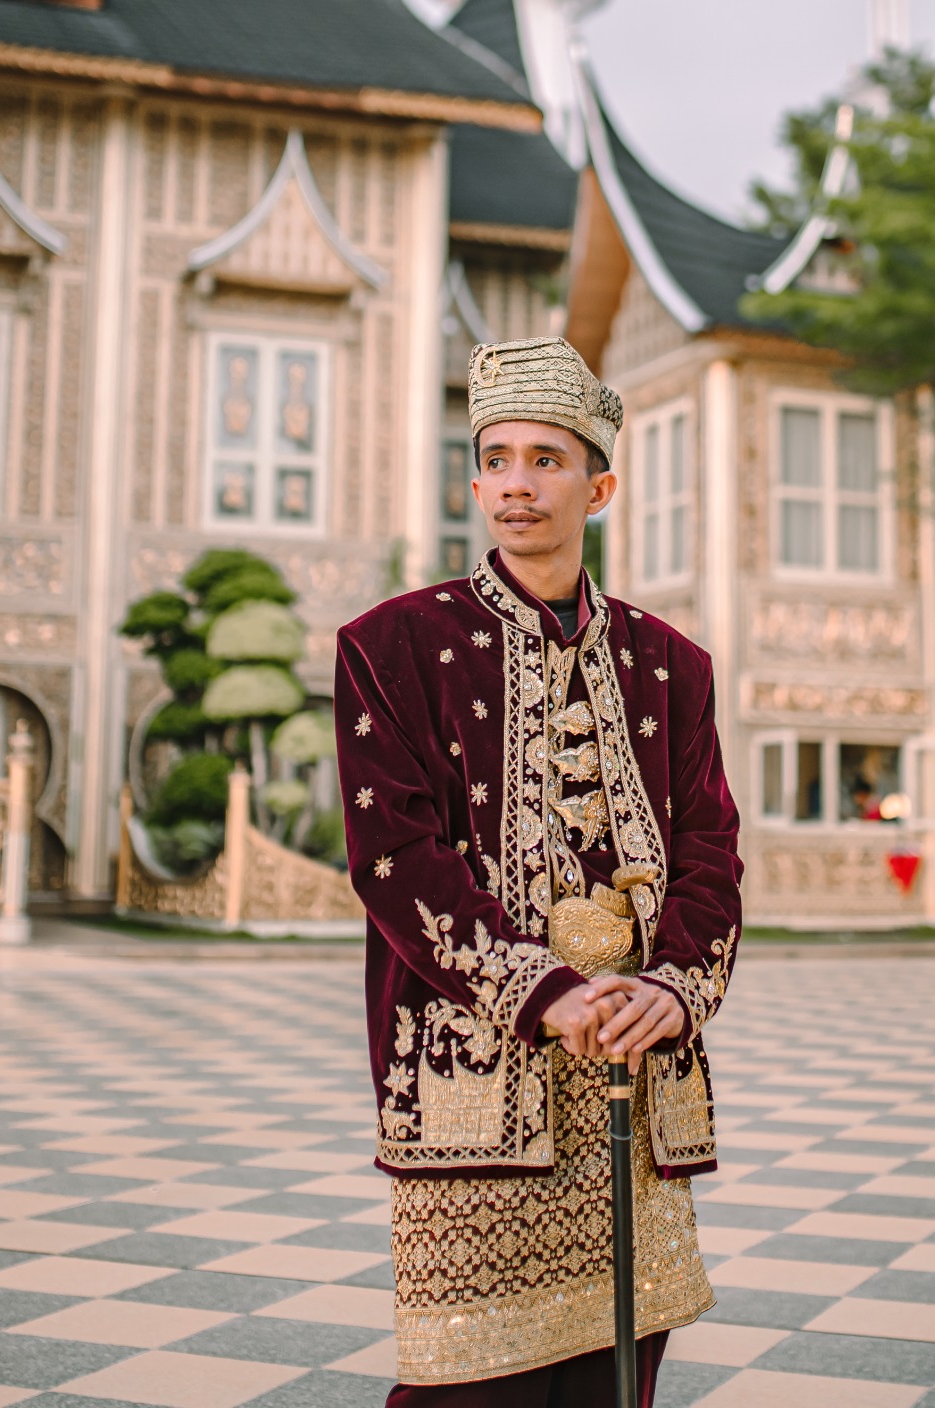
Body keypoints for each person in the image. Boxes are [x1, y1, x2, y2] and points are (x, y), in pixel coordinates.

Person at [335, 335, 742, 1405]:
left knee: (615, 1377)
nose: (517, 483)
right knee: (468, 1382)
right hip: (477, 1075)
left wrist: (674, 989)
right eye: (497, 460)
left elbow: (711, 853)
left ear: (598, 486)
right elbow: (394, 856)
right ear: (475, 483)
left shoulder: (672, 666)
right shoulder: (391, 648)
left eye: (547, 460)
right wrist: (543, 992)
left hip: (631, 1071)